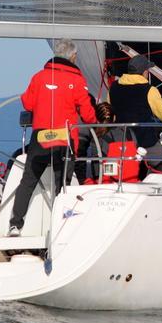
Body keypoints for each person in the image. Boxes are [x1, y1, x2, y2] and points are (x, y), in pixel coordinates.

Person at [9, 39, 96, 236]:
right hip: (65, 140)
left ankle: (15, 224)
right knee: (62, 185)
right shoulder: (77, 80)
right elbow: (89, 114)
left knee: (28, 181)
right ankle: (59, 228)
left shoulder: (38, 77)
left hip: (40, 137)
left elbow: (27, 104)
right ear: (73, 57)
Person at [108, 55, 162, 177]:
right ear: (145, 72)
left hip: (119, 139)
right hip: (143, 139)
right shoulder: (150, 90)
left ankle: (139, 177)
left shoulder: (113, 87)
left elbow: (109, 110)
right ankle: (148, 185)